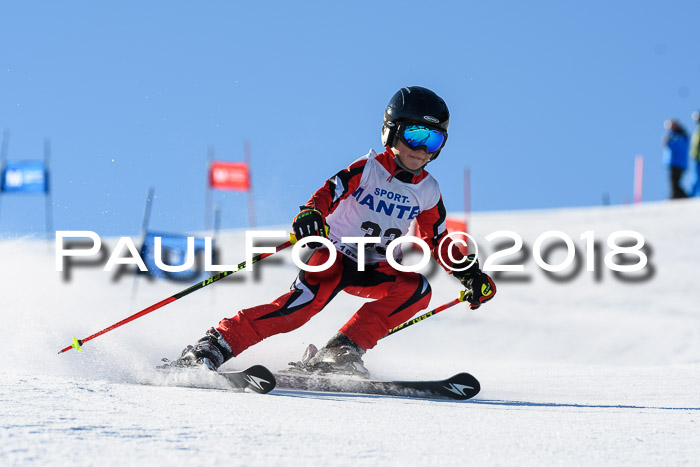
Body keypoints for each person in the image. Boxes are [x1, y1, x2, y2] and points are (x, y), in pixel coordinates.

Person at [168, 86, 497, 376]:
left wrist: (469, 274)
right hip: (333, 256)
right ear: (391, 132)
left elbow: (437, 239)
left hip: (376, 268)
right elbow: (330, 191)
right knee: (298, 310)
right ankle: (214, 345)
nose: (422, 150)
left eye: (433, 140)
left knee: (416, 290)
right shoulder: (368, 168)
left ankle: (341, 352)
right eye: (415, 135)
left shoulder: (428, 190)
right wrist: (311, 214)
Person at [663, 119, 689, 199]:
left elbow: (679, 147)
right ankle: (676, 196)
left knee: (675, 181)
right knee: (674, 181)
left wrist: (669, 143)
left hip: (678, 163)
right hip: (673, 162)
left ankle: (678, 196)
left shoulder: (681, 135)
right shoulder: (672, 135)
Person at [689, 111, 700, 197]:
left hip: (698, 157)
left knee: (696, 177)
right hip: (697, 157)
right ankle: (692, 195)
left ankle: (691, 195)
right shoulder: (697, 129)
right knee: (696, 176)